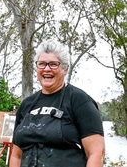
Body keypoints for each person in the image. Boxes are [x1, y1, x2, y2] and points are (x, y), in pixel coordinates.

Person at [9, 39, 105, 167]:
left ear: (65, 69)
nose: (47, 69)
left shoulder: (79, 100)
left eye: (53, 64)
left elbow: (97, 153)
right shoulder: (27, 105)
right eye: (42, 64)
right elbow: (16, 155)